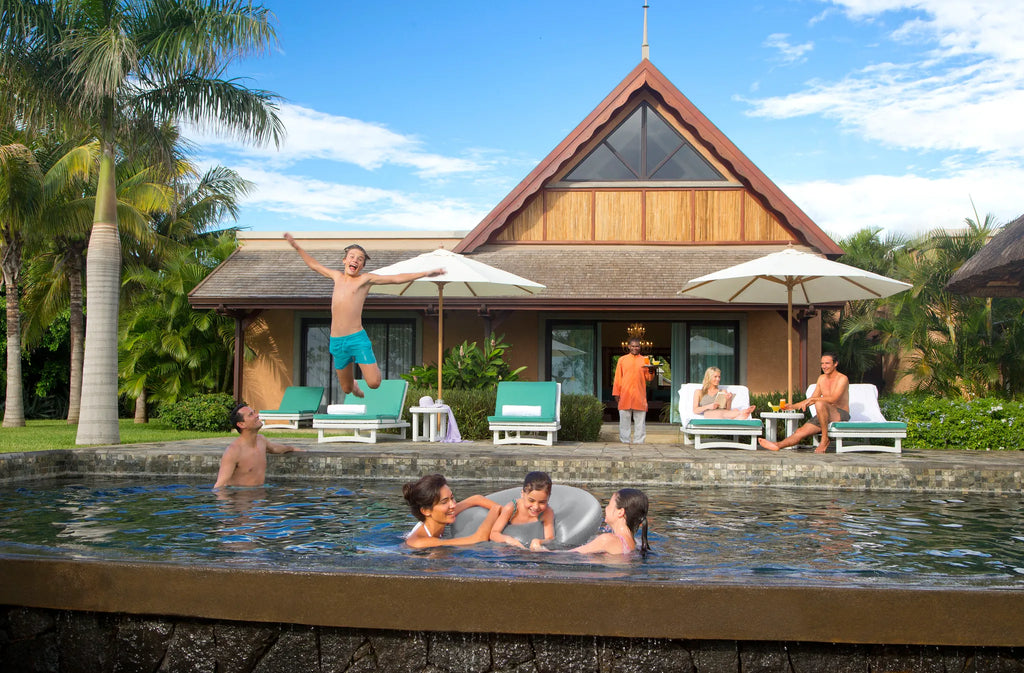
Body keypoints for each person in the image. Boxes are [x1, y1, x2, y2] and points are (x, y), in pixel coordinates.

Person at [284, 233, 444, 398]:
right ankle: (354, 384)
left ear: (362, 266)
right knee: (346, 388)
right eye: (352, 257)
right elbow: (314, 265)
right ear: (344, 261)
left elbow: (396, 278)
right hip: (336, 341)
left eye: (360, 259)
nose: (355, 260)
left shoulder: (365, 279)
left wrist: (425, 273)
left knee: (374, 383)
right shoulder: (336, 277)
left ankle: (371, 368)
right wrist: (296, 246)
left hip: (357, 338)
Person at [758, 352, 850, 453]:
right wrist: (793, 406)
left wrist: (814, 400)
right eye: (822, 363)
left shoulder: (842, 379)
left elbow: (834, 399)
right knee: (800, 432)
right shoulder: (821, 378)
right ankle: (777, 445)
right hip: (824, 414)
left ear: (835, 363)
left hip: (840, 414)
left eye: (827, 363)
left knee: (819, 403)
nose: (824, 366)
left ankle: (825, 439)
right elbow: (813, 398)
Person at [531, 488, 650, 556]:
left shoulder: (607, 540)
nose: (606, 508)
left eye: (609, 504)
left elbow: (569, 556)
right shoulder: (636, 543)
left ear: (620, 512)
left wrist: (540, 550)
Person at [213, 404, 302, 489]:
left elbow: (275, 448)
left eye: (254, 412)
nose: (257, 415)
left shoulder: (261, 440)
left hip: (259, 497)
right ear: (241, 424)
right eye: (251, 414)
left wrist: (292, 448)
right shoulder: (233, 451)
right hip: (241, 500)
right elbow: (220, 485)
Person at [402, 474, 501, 548]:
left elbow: (476, 499)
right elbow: (478, 539)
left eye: (452, 498)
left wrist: (507, 511)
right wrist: (495, 511)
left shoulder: (441, 515)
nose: (453, 505)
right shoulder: (419, 542)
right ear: (426, 511)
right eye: (444, 502)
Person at [490, 471, 556, 549]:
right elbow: (493, 534)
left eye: (542, 502)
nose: (536, 507)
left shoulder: (547, 512)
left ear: (548, 498)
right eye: (531, 500)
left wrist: (538, 541)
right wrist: (509, 540)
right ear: (522, 494)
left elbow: (550, 538)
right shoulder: (512, 508)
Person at [612, 338, 655, 443]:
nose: (635, 348)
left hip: (639, 396)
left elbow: (649, 378)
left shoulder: (645, 360)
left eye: (637, 346)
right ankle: (624, 441)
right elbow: (617, 378)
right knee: (624, 422)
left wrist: (651, 371)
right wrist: (616, 393)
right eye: (633, 346)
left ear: (640, 347)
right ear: (629, 346)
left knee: (640, 422)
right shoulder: (622, 360)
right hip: (625, 395)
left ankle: (639, 442)